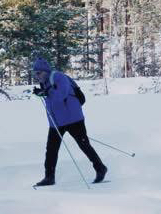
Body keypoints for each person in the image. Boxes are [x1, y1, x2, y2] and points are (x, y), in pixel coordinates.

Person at [30, 58, 107, 186]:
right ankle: (49, 177)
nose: (36, 76)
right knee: (51, 149)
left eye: (38, 73)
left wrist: (46, 92)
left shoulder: (59, 77)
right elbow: (52, 99)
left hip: (73, 118)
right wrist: (42, 92)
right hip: (56, 122)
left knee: (84, 145)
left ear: (45, 71)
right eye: (35, 73)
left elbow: (62, 95)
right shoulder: (45, 82)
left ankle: (100, 168)